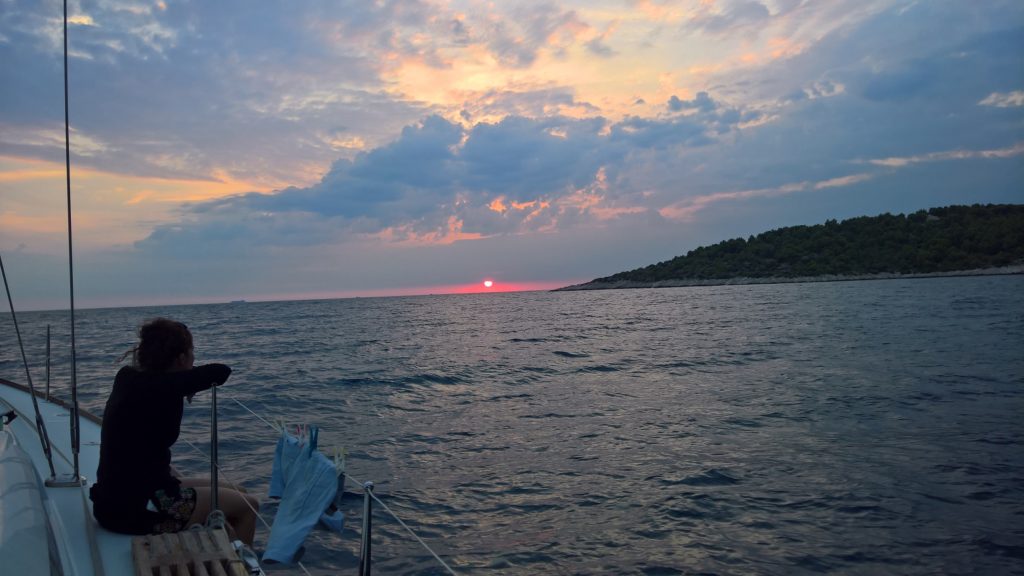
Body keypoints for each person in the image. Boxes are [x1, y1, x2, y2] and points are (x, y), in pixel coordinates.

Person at [89, 318, 259, 545]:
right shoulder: (162, 388)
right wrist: (186, 382)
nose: (194, 357)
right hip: (138, 512)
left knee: (238, 491)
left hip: (114, 502)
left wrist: (184, 382)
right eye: (192, 352)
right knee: (250, 506)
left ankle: (225, 549)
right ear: (180, 359)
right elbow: (220, 371)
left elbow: (170, 383)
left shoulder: (127, 377)